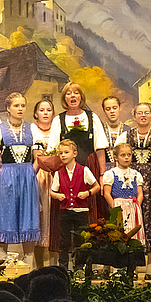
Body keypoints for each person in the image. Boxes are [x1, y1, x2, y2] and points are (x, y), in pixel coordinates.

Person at [116, 103, 151, 279]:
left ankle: (150, 267)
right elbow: (117, 153)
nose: (143, 116)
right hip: (130, 178)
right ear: (134, 116)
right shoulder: (127, 135)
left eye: (146, 113)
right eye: (139, 113)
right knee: (130, 220)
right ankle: (129, 265)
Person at [0, 93, 41, 265]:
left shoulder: (32, 129)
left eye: (22, 106)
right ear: (8, 108)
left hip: (27, 174)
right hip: (7, 174)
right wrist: (1, 174)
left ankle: (29, 257)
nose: (20, 109)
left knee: (28, 213)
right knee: (6, 211)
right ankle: (3, 256)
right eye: (16, 106)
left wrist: (31, 172)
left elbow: (38, 156)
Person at [48, 82, 109, 225]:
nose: (72, 96)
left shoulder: (92, 117)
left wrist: (101, 175)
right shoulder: (58, 120)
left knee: (90, 207)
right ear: (64, 98)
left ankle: (89, 244)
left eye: (76, 93)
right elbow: (53, 152)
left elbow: (99, 148)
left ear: (81, 96)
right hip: (65, 170)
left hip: (89, 165)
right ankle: (64, 245)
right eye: (68, 93)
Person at [50, 139, 100, 268]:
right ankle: (63, 267)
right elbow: (52, 192)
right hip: (65, 212)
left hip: (81, 212)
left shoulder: (84, 170)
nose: (63, 155)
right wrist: (57, 195)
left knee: (80, 241)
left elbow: (97, 186)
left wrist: (87, 193)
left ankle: (79, 267)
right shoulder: (58, 173)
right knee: (64, 241)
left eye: (66, 152)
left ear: (75, 153)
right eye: (61, 153)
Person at [31, 99, 59, 269]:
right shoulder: (32, 130)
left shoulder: (58, 130)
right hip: (39, 175)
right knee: (39, 219)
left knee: (54, 218)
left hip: (56, 177)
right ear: (36, 113)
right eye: (42, 110)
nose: (45, 113)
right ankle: (39, 265)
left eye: (49, 109)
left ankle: (55, 263)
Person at [102, 142, 145, 245]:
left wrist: (137, 205)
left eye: (129, 155)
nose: (126, 158)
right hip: (118, 205)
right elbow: (107, 193)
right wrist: (115, 208)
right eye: (123, 155)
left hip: (133, 206)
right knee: (120, 231)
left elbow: (140, 193)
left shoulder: (136, 174)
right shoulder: (111, 174)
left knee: (133, 231)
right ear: (116, 157)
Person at [101, 95, 130, 171]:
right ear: (104, 111)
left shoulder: (129, 131)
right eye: (108, 109)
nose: (112, 111)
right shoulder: (100, 131)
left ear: (120, 108)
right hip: (105, 171)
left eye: (114, 108)